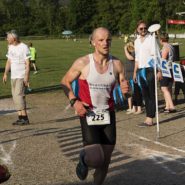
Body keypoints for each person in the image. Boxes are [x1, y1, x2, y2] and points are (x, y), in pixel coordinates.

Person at [61, 27, 128, 185]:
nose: (106, 43)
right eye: (101, 40)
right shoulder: (83, 62)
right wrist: (74, 101)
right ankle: (84, 159)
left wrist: (127, 91)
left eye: (108, 40)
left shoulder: (117, 64)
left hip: (108, 114)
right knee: (96, 159)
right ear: (93, 42)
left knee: (105, 161)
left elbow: (124, 88)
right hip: (89, 114)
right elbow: (64, 81)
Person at [133, 20, 162, 126]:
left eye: (145, 28)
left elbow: (157, 55)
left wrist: (159, 70)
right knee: (145, 95)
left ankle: (150, 118)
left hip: (150, 69)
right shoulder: (136, 41)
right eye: (141, 28)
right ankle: (148, 117)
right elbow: (137, 58)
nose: (143, 30)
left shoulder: (151, 39)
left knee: (151, 94)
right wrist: (135, 72)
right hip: (140, 70)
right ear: (137, 29)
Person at [3, 30, 30, 125]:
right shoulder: (10, 47)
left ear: (13, 38)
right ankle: (20, 117)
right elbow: (9, 61)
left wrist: (26, 77)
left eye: (8, 38)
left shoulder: (24, 47)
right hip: (13, 76)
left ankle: (25, 118)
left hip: (21, 75)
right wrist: (5, 73)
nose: (6, 39)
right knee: (15, 97)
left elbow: (28, 64)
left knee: (19, 96)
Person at [124, 41, 143, 114]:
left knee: (136, 92)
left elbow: (130, 58)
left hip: (135, 74)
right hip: (130, 74)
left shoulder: (135, 52)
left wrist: (125, 49)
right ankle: (134, 107)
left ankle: (139, 108)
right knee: (133, 93)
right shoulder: (131, 52)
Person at [159, 32, 176, 113]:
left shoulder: (165, 47)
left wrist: (160, 71)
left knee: (164, 88)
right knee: (168, 88)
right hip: (171, 69)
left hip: (166, 69)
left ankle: (172, 106)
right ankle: (167, 106)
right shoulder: (171, 46)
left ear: (161, 39)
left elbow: (163, 60)